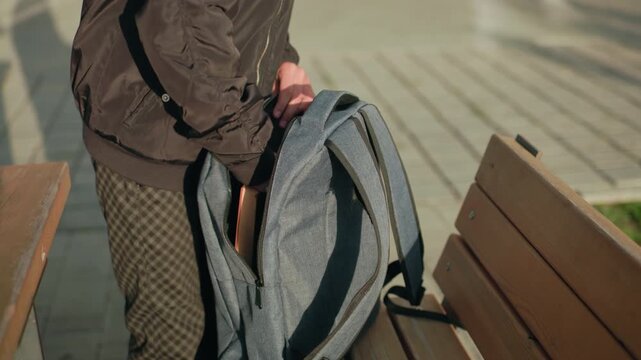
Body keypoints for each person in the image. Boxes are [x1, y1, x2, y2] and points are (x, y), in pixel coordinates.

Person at [70, 0, 314, 358]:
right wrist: (256, 155)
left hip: (215, 133)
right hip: (152, 146)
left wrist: (279, 58)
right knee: (176, 339)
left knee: (224, 321)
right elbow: (179, 23)